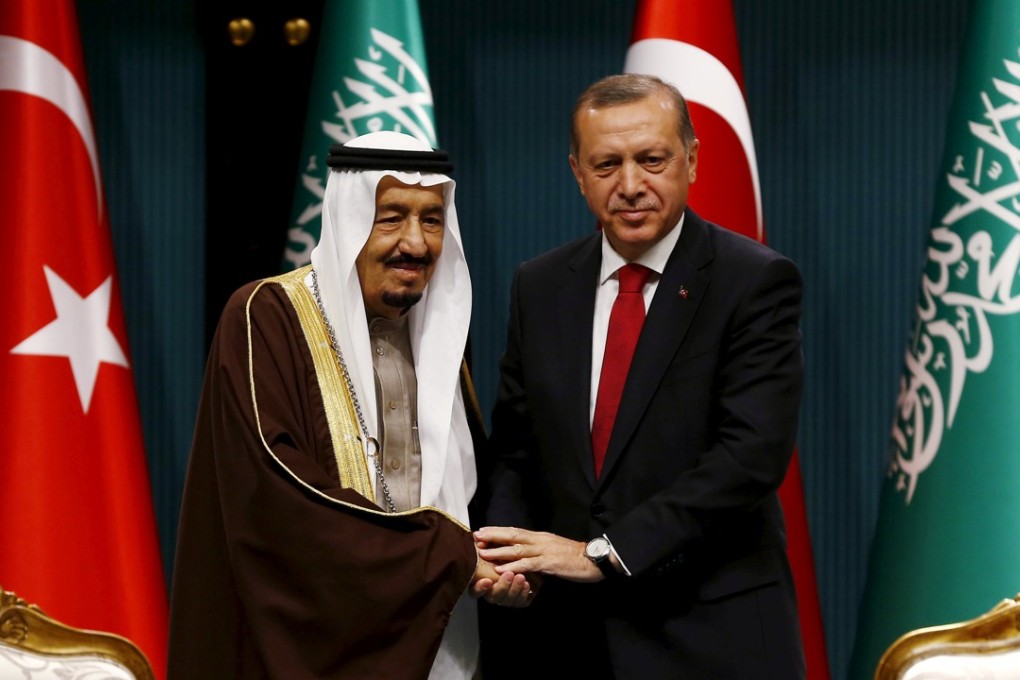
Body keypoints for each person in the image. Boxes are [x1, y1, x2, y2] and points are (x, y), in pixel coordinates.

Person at [475, 74, 807, 678]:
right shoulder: (541, 285)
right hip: (563, 640)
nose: (631, 186)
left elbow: (750, 457)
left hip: (710, 636)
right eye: (607, 165)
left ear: (693, 159)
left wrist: (605, 555)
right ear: (577, 172)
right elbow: (519, 447)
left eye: (651, 160)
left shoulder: (754, 282)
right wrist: (506, 558)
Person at [168, 131, 518, 679]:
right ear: (348, 221)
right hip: (314, 648)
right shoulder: (268, 316)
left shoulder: (444, 340)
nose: (416, 243)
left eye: (431, 219)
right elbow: (281, 498)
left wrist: (507, 562)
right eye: (390, 217)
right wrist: (452, 558)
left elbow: (476, 488)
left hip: (443, 639)